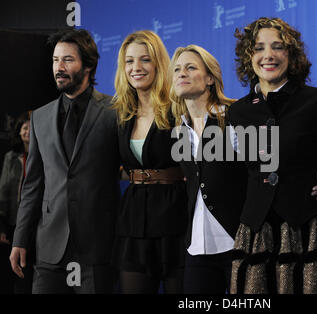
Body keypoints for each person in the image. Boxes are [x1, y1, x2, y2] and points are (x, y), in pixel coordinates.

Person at [227, 17, 317, 294]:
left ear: (292, 54)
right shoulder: (238, 111)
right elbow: (233, 174)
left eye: (278, 47)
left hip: (307, 226)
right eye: (259, 48)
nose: (268, 55)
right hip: (255, 230)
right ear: (248, 57)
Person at [9, 29, 121, 294]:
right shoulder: (40, 118)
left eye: (68, 60)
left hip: (97, 247)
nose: (59, 67)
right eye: (55, 60)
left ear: (88, 64)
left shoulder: (115, 112)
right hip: (49, 246)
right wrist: (20, 239)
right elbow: (32, 185)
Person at [112, 30, 188, 294]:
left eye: (144, 60)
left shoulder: (179, 108)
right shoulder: (121, 114)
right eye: (129, 61)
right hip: (134, 219)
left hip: (176, 217)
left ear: (158, 64)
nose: (136, 68)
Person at [169, 44, 247, 293]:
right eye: (178, 69)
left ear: (210, 78)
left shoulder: (233, 119)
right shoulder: (179, 130)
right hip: (197, 248)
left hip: (237, 243)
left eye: (191, 67)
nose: (182, 73)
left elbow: (265, 170)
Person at [0, 111, 33, 293]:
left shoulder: (44, 155)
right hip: (14, 222)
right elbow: (3, 192)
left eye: (31, 128)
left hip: (37, 224)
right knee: (14, 271)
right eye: (24, 128)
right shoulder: (11, 158)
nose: (28, 131)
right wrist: (2, 226)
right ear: (19, 131)